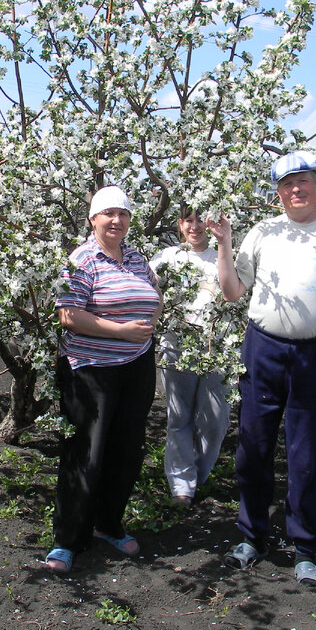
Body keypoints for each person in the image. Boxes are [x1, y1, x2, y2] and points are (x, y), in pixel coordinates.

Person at [207, 151, 316, 589]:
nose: (295, 189)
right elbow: (233, 291)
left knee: (308, 455)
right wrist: (224, 243)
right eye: (286, 184)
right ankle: (252, 537)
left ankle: (305, 550)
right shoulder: (263, 232)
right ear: (277, 192)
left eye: (303, 181)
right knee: (253, 448)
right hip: (263, 351)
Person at [45, 186, 161, 574]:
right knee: (86, 451)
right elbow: (68, 315)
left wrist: (146, 327)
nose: (116, 220)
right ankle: (68, 539)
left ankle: (109, 524)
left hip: (136, 366)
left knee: (126, 450)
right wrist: (122, 331)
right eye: (108, 213)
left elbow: (154, 296)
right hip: (91, 369)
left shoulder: (136, 258)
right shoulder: (81, 260)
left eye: (123, 214)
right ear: (92, 219)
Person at [150, 209, 230, 508]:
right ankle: (181, 485)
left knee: (215, 420)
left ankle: (199, 472)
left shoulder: (224, 255)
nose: (195, 227)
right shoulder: (168, 257)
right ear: (180, 225)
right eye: (188, 220)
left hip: (218, 348)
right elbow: (147, 286)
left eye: (200, 220)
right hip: (177, 345)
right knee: (179, 417)